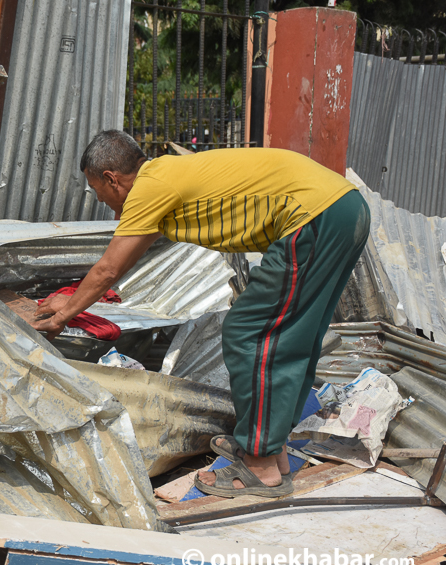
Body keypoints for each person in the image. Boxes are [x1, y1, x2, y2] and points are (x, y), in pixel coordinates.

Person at [32, 130, 370, 498]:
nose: (108, 206)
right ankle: (271, 452)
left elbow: (108, 269)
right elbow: (123, 260)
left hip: (313, 215)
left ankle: (259, 466)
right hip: (342, 207)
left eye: (100, 193)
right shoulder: (166, 176)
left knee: (250, 332)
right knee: (293, 336)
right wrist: (71, 302)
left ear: (112, 179)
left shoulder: (148, 188)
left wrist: (63, 314)